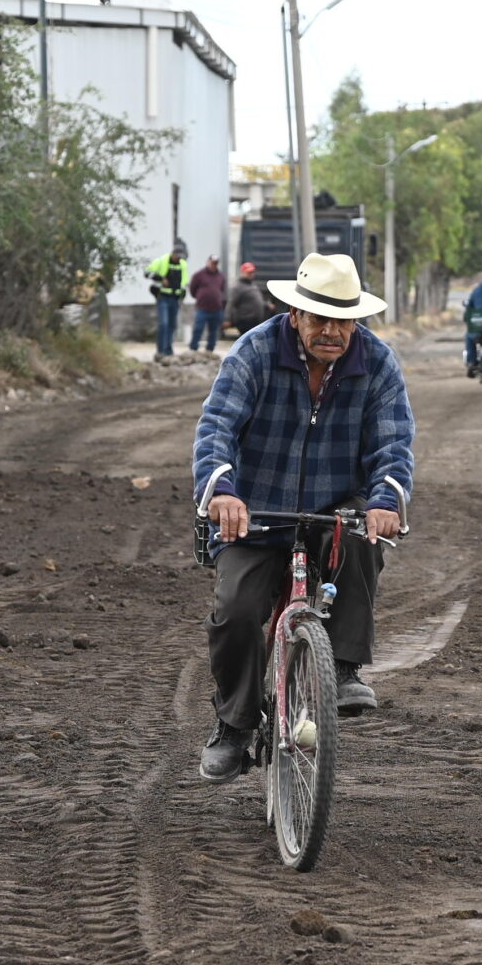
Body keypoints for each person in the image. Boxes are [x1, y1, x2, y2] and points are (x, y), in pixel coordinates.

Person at [192, 253, 415, 781]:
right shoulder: (254, 352)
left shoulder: (378, 363)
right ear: (295, 314)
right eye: (321, 319)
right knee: (237, 610)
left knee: (359, 534)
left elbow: (394, 443)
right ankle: (235, 725)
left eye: (344, 320)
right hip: (255, 510)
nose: (333, 331)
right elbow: (216, 427)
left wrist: (386, 500)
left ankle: (342, 668)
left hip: (335, 503)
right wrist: (222, 490)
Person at [146, 243, 189, 357]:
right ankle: (160, 351)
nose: (178, 258)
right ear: (173, 253)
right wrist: (160, 279)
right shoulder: (161, 261)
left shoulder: (183, 265)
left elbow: (184, 283)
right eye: (177, 255)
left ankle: (168, 350)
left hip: (175, 299)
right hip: (163, 298)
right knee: (163, 324)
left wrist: (182, 295)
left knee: (172, 325)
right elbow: (147, 273)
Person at [187, 255, 227, 353]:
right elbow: (192, 289)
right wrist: (201, 297)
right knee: (198, 329)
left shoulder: (221, 276)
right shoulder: (198, 275)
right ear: (208, 262)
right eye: (212, 262)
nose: (214, 265)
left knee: (213, 331)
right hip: (202, 308)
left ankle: (210, 350)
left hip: (217, 309)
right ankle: (193, 348)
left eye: (216, 263)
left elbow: (221, 289)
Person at [225, 261, 270, 336]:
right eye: (249, 272)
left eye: (252, 272)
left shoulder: (252, 285)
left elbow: (255, 301)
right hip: (245, 321)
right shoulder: (237, 286)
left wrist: (266, 305)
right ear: (242, 272)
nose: (251, 274)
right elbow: (231, 303)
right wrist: (227, 319)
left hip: (255, 321)